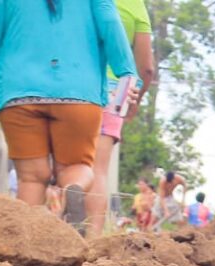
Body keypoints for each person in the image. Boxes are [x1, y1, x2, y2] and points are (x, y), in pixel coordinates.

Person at [0, 0, 136, 227]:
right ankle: (73, 190)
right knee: (76, 167)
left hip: (18, 94)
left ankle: (25, 248)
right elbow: (111, 25)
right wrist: (126, 79)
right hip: (79, 92)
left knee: (31, 177)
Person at [86, 0, 156, 236]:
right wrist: (134, 102)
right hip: (115, 92)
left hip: (73, 84)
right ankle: (92, 241)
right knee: (98, 170)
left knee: (68, 164)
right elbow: (146, 68)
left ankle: (57, 231)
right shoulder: (136, 7)